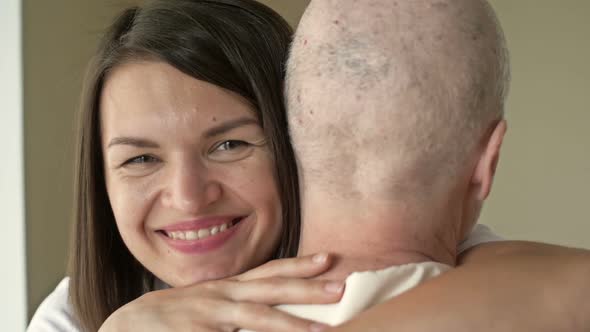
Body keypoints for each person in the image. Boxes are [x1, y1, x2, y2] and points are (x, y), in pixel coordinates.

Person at [28, 0, 590, 332]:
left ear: (301, 136)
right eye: (141, 158)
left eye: (229, 145)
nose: (188, 196)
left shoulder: (442, 252)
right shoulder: (74, 315)